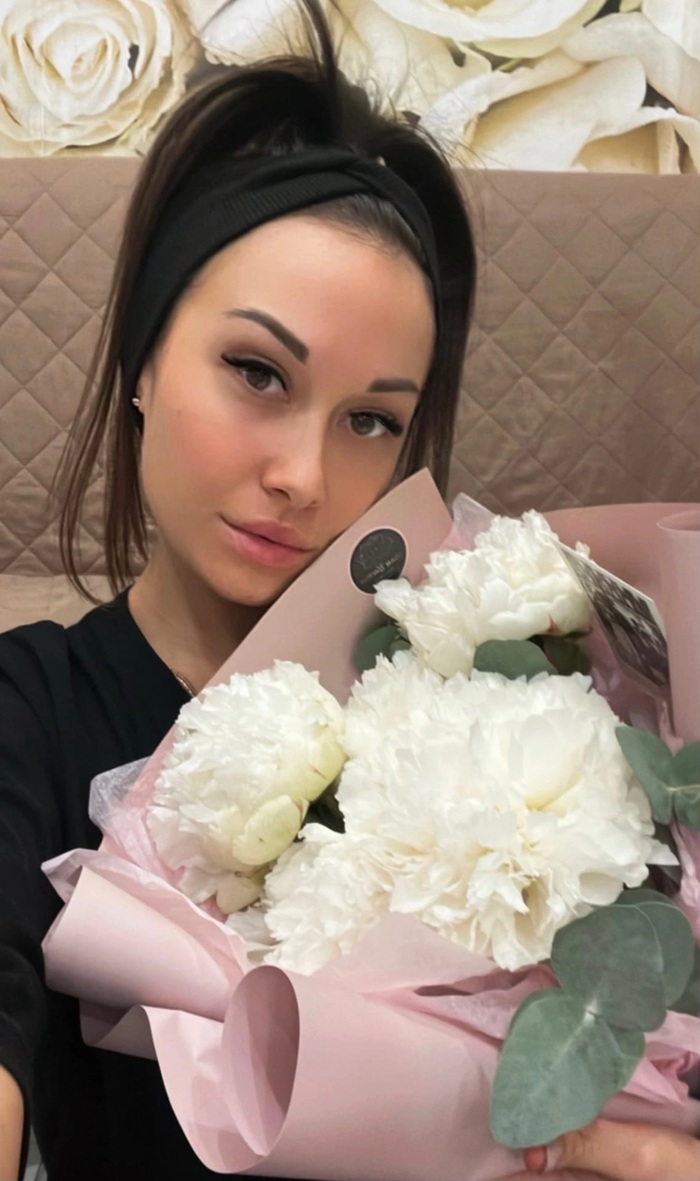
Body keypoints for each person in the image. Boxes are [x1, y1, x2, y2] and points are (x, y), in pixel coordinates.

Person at [0, 3, 698, 1179]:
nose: (305, 477)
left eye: (371, 419)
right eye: (257, 371)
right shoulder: (33, 709)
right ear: (141, 358)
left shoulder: (518, 705)